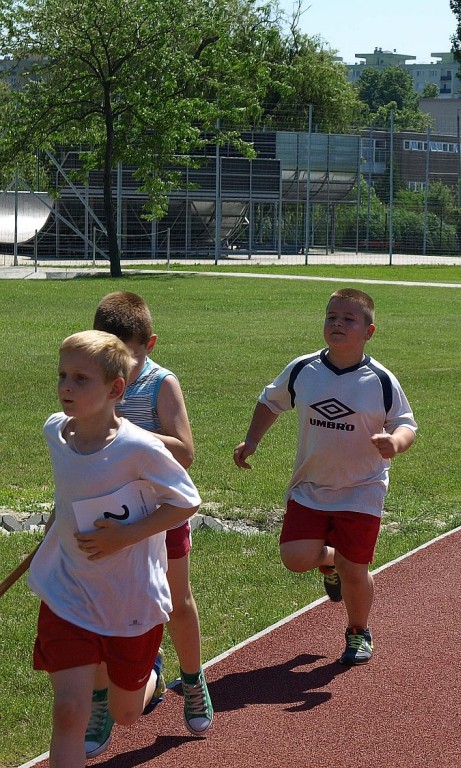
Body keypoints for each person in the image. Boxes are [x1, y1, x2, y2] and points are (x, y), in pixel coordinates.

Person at [28, 330, 201, 768]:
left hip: (130, 599)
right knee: (69, 711)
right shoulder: (55, 431)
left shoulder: (139, 446)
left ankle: (152, 674)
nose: (66, 386)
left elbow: (186, 502)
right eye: (62, 375)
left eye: (81, 378)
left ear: (115, 389)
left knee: (126, 714)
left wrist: (124, 536)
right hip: (68, 593)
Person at [233, 288, 417, 666]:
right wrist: (252, 440)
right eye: (332, 316)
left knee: (355, 569)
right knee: (295, 558)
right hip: (310, 485)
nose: (337, 323)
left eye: (349, 319)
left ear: (369, 331)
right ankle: (330, 559)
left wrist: (395, 443)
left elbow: (406, 424)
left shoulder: (380, 380)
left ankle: (358, 631)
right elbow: (270, 401)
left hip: (362, 488)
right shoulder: (304, 369)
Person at [90, 291, 213, 749]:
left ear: (150, 344)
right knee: (102, 608)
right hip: (107, 516)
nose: (118, 366)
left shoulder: (161, 383)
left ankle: (193, 680)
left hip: (162, 513)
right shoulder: (91, 380)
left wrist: (126, 433)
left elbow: (185, 451)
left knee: (176, 601)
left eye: (128, 355)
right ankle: (100, 701)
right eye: (108, 353)